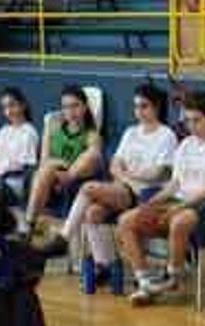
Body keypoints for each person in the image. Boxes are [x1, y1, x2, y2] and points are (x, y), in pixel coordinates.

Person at [47, 83, 176, 278]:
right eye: (136, 106)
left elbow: (158, 173)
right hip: (123, 188)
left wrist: (130, 175)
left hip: (146, 193)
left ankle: (64, 236)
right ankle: (105, 264)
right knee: (92, 213)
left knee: (88, 187)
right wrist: (127, 176)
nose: (138, 111)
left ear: (156, 107)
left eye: (144, 106)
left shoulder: (166, 135)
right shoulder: (131, 132)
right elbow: (115, 165)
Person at [117, 91, 205, 306]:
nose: (191, 125)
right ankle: (145, 281)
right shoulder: (186, 144)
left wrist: (178, 207)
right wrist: (152, 203)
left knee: (181, 220)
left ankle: (173, 277)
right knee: (127, 220)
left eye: (196, 120)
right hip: (179, 202)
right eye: (187, 120)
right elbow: (174, 184)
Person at [21, 85, 102, 249]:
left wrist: (69, 171)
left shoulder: (92, 135)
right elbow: (44, 160)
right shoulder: (53, 127)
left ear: (85, 107)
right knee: (47, 169)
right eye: (65, 107)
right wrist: (57, 163)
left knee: (93, 154)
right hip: (49, 178)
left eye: (75, 106)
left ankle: (28, 226)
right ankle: (28, 226)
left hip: (75, 178)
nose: (70, 111)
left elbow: (92, 161)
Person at [0, 87, 39, 202]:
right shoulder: (3, 131)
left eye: (12, 105)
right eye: (4, 107)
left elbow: (25, 166)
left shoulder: (29, 131)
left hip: (13, 182)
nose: (8, 111)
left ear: (23, 105)